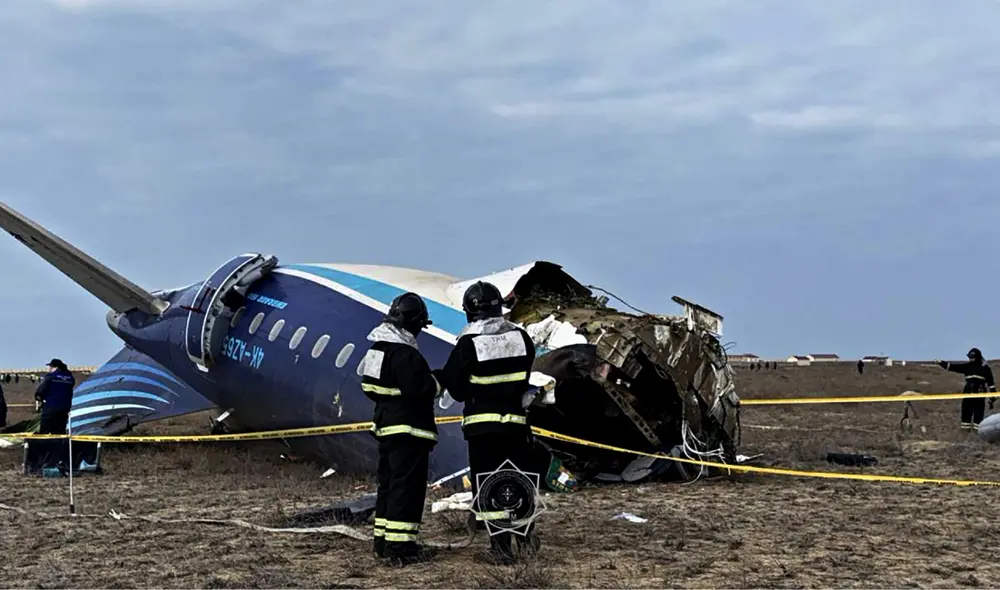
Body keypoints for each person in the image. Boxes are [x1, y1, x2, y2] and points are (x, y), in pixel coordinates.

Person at [434, 281, 540, 565]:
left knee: (491, 485)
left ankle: (502, 549)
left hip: (484, 428)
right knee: (519, 481)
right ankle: (527, 538)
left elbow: (455, 388)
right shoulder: (521, 338)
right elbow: (525, 375)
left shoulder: (468, 343)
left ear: (469, 311)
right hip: (516, 424)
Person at [359, 292, 440, 566]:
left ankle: (382, 542)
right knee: (407, 487)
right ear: (414, 323)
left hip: (385, 427)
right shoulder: (406, 354)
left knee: (389, 485)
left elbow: (368, 387)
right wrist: (438, 381)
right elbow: (422, 390)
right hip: (409, 431)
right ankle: (400, 548)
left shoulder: (376, 350)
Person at [937, 348, 996, 429]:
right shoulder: (967, 366)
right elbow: (953, 367)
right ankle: (965, 431)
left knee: (978, 413)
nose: (971, 359)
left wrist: (992, 397)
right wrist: (941, 363)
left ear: (978, 357)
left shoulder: (985, 368)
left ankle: (977, 433)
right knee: (966, 411)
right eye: (970, 357)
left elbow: (991, 384)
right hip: (968, 391)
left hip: (980, 392)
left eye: (972, 357)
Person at [34, 359, 76, 434]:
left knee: (45, 431)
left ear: (55, 367)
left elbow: (40, 391)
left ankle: (43, 444)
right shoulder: (70, 378)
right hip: (65, 408)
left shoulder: (51, 377)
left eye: (50, 367)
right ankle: (59, 444)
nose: (49, 369)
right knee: (59, 432)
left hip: (51, 407)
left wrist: (39, 398)